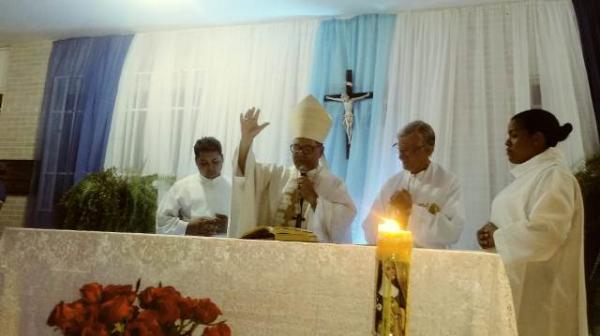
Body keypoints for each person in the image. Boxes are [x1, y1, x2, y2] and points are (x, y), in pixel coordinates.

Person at [477, 109, 588, 336]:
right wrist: (489, 234)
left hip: (542, 295)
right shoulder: (529, 177)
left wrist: (497, 237)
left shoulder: (555, 177)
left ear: (537, 140)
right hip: (515, 286)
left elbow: (547, 233)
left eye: (514, 135)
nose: (507, 142)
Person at [228, 95, 356, 243]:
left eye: (307, 148)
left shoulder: (334, 185)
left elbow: (346, 218)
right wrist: (246, 142)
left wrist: (314, 200)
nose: (300, 153)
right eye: (296, 147)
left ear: (320, 151)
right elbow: (246, 176)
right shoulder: (276, 175)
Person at [362, 121, 465, 248]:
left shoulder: (448, 183)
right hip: (392, 259)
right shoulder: (392, 184)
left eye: (407, 151)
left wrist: (411, 211)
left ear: (428, 149)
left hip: (430, 261)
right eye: (399, 149)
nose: (400, 156)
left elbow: (452, 232)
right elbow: (369, 228)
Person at [156, 137, 231, 236]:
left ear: (222, 158)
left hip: (228, 247)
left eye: (215, 161)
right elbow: (162, 221)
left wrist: (230, 227)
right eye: (204, 163)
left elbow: (248, 221)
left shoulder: (235, 188)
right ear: (196, 161)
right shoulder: (181, 187)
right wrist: (188, 228)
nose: (211, 168)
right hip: (192, 247)